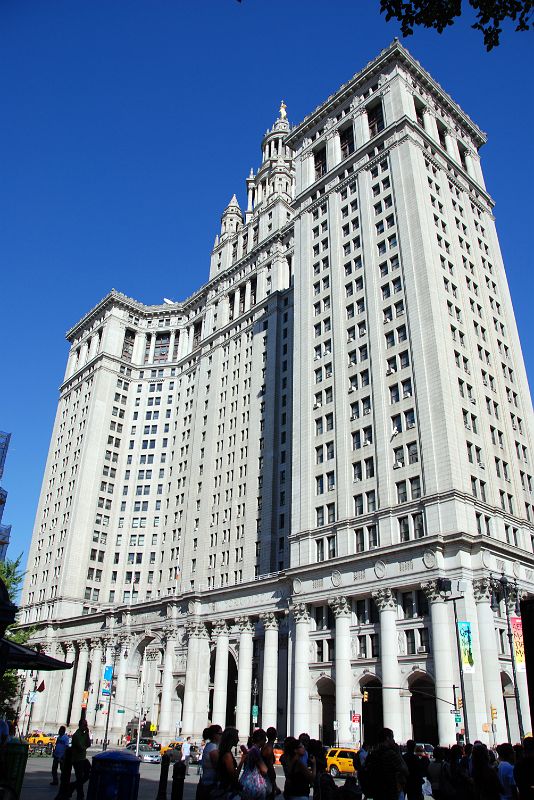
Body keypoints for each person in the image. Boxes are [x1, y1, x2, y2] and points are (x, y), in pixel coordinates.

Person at [358, 728, 408, 800]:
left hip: (377, 793)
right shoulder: (391, 754)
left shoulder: (372, 755)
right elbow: (405, 770)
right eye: (392, 738)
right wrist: (398, 752)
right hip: (390, 792)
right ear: (387, 738)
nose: (393, 740)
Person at [283, 736, 316, 800]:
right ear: (295, 750)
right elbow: (312, 777)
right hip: (301, 794)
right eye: (301, 746)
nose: (304, 748)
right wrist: (314, 764)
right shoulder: (299, 763)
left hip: (291, 793)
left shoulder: (290, 760)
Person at [216, 727, 246, 799]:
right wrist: (242, 761)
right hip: (227, 789)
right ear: (231, 739)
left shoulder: (224, 752)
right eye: (237, 737)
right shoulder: (227, 755)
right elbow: (234, 776)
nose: (238, 739)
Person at [240, 729, 269, 800]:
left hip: (247, 781)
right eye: (265, 738)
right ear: (260, 739)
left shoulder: (252, 749)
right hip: (254, 784)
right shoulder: (255, 750)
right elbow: (264, 769)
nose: (265, 740)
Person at [196, 724, 222, 800]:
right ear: (214, 735)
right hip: (210, 784)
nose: (221, 736)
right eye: (220, 734)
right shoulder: (213, 748)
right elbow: (218, 767)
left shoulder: (209, 745)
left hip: (206, 782)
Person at [69, 718, 91, 800]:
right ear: (80, 725)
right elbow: (80, 747)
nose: (86, 726)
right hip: (77, 760)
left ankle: (72, 786)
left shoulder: (84, 734)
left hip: (83, 759)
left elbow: (88, 744)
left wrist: (88, 733)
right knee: (79, 777)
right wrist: (85, 747)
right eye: (84, 725)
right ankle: (80, 796)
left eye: (86, 725)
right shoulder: (76, 735)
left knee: (88, 774)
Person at [261, 726, 278, 799]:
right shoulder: (269, 748)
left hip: (265, 776)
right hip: (267, 777)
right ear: (275, 736)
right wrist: (274, 783)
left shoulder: (266, 746)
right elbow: (270, 766)